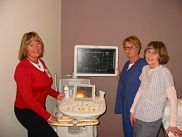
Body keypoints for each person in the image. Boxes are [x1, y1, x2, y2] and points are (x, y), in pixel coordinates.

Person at [14, 31, 64, 137]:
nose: (36, 47)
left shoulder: (41, 62)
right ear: (24, 48)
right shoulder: (22, 68)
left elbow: (44, 86)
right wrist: (50, 117)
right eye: (31, 45)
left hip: (39, 107)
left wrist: (57, 95)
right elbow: (28, 99)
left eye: (38, 43)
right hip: (26, 110)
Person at [130, 41, 182, 137]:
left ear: (160, 56)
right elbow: (140, 90)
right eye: (148, 51)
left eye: (154, 53)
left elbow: (173, 99)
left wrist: (173, 124)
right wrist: (132, 110)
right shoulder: (145, 69)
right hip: (139, 115)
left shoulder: (164, 72)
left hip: (151, 121)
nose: (150, 55)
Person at [115, 35, 147, 137]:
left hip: (136, 107)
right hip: (126, 105)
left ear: (138, 48)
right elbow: (127, 82)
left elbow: (146, 87)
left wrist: (135, 109)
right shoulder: (127, 64)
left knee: (136, 133)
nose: (128, 50)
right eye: (126, 47)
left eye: (131, 47)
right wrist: (119, 76)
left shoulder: (143, 64)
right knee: (128, 132)